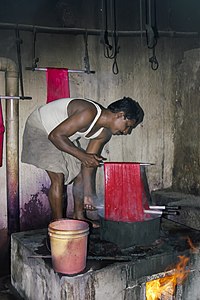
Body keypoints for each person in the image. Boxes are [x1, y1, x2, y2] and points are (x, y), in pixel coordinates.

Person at [21, 97, 144, 227]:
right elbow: (55, 136)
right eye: (128, 126)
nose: (126, 132)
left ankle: (79, 216)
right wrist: (83, 156)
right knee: (58, 176)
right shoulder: (88, 112)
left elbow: (88, 164)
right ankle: (58, 225)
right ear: (120, 115)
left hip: (62, 135)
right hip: (41, 127)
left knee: (80, 169)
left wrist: (88, 194)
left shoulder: (104, 134)